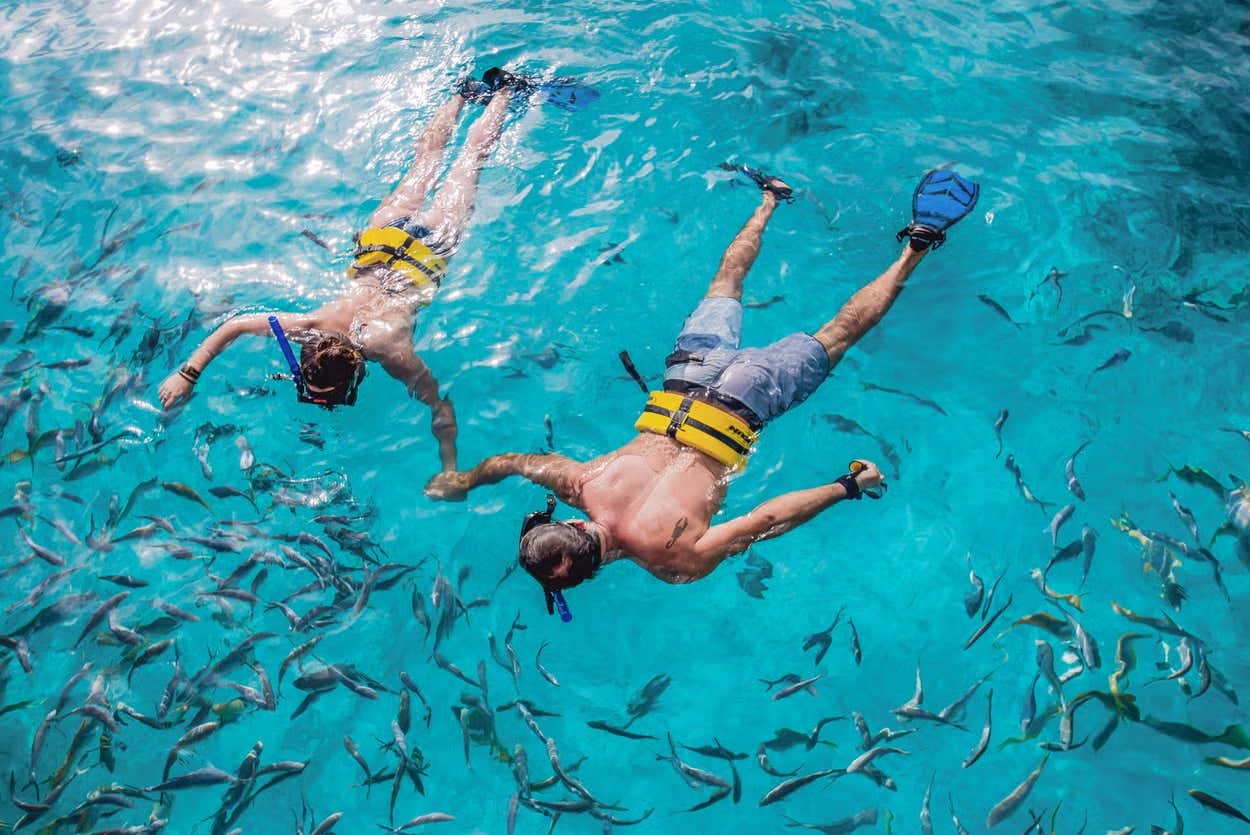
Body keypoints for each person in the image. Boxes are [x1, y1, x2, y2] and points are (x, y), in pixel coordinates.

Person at [425, 166, 980, 615]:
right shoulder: (580, 483)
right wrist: (463, 480)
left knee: (840, 332)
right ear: (568, 524)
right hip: (689, 378)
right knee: (725, 283)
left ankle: (917, 246)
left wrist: (849, 485)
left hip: (748, 402)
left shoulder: (675, 560)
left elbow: (763, 521)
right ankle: (769, 200)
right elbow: (511, 461)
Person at [158, 69, 540, 472]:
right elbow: (234, 326)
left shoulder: (393, 354)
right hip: (381, 239)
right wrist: (188, 372)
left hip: (429, 250)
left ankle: (498, 94)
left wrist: (451, 466)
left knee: (467, 161)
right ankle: (465, 94)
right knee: (428, 161)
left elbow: (439, 407)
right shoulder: (311, 323)